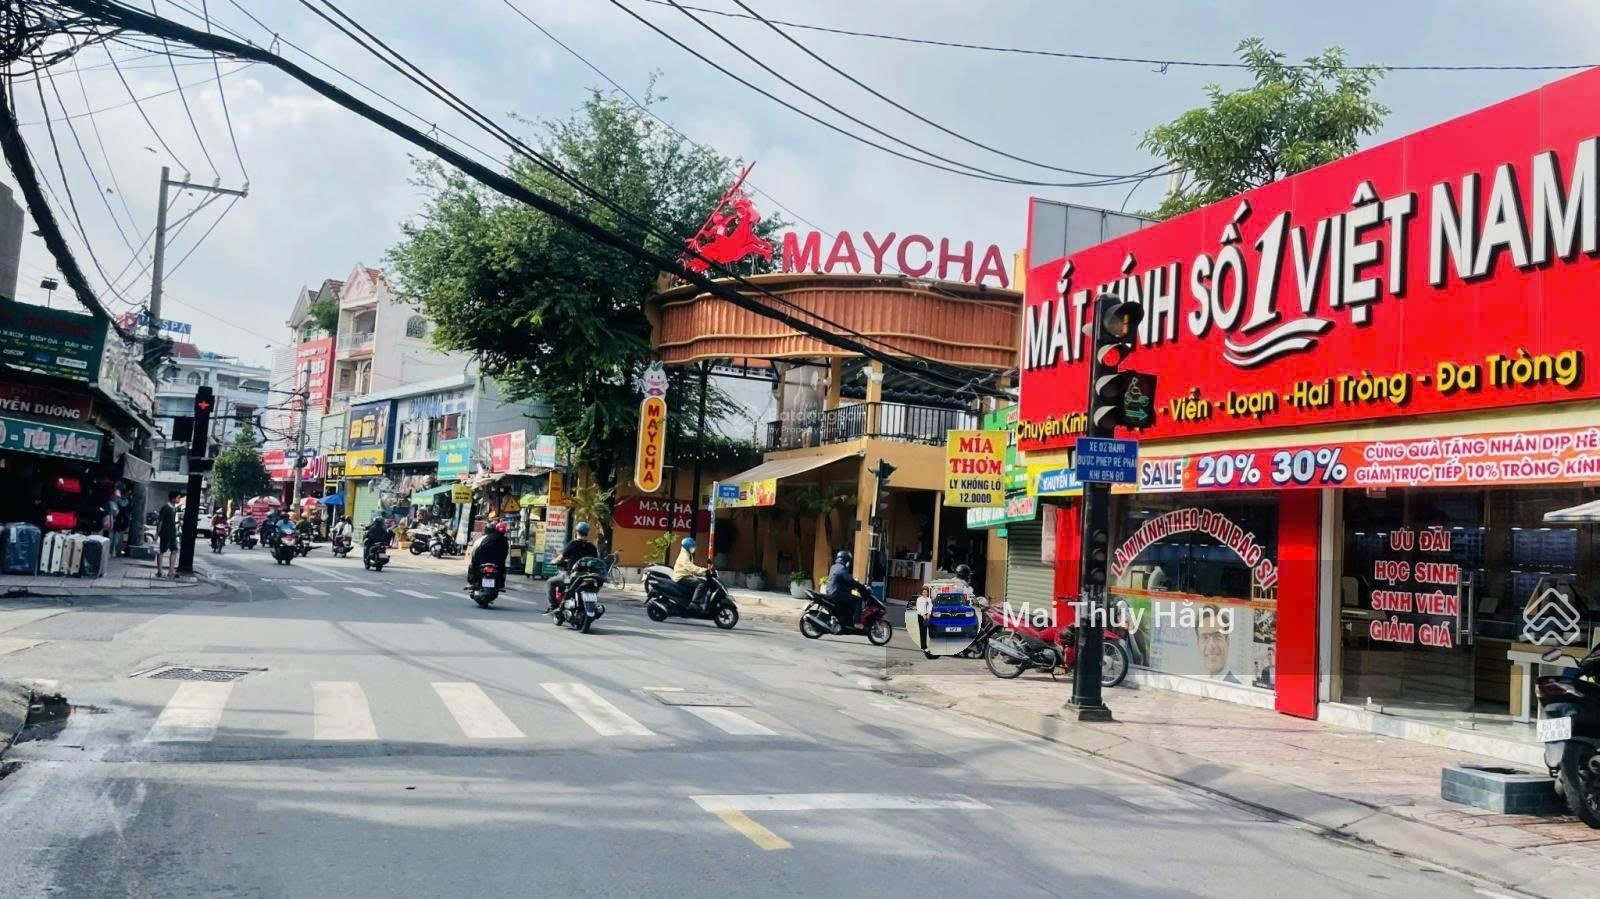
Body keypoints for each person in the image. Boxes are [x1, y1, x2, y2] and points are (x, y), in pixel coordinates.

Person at [548, 521, 598, 611]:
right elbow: (595, 561)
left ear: (576, 532)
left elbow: (561, 558)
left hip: (572, 576)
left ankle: (553, 606)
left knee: (550, 582)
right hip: (587, 576)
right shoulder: (592, 547)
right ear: (587, 533)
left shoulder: (573, 544)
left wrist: (553, 561)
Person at [825, 550, 870, 629]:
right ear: (847, 560)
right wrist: (860, 586)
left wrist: (851, 586)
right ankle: (857, 622)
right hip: (837, 593)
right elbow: (850, 580)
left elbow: (841, 580)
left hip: (831, 591)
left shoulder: (834, 567)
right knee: (858, 600)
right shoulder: (842, 569)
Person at [470, 521, 510, 590]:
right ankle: (501, 584)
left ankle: (474, 582)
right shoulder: (505, 541)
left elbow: (478, 550)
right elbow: (505, 554)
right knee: (503, 569)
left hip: (484, 560)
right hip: (496, 562)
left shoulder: (486, 538)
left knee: (473, 566)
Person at [672, 536, 709, 609]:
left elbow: (691, 568)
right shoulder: (684, 555)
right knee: (701, 583)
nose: (694, 548)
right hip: (681, 577)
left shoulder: (688, 554)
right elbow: (691, 567)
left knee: (701, 580)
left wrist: (703, 573)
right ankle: (694, 603)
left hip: (685, 575)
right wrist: (704, 570)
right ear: (688, 547)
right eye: (692, 546)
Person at [156, 490, 181, 577]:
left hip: (172, 533)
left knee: (174, 550)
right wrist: (157, 534)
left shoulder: (174, 508)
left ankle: (171, 571)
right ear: (173, 498)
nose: (179, 499)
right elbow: (160, 522)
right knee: (162, 550)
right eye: (178, 498)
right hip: (165, 533)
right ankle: (160, 570)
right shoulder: (165, 508)